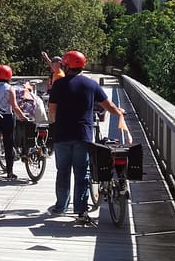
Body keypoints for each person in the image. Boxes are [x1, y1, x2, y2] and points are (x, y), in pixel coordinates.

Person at [47, 50, 126, 223]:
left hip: (62, 135)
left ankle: (61, 206)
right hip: (83, 135)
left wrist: (55, 121)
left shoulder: (59, 85)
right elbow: (109, 105)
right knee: (82, 173)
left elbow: (51, 111)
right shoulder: (91, 85)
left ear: (66, 65)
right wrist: (119, 112)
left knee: (63, 172)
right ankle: (81, 211)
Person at [0, 65, 27, 180]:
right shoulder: (9, 88)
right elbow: (14, 106)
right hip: (7, 117)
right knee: (8, 144)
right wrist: (23, 116)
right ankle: (9, 172)